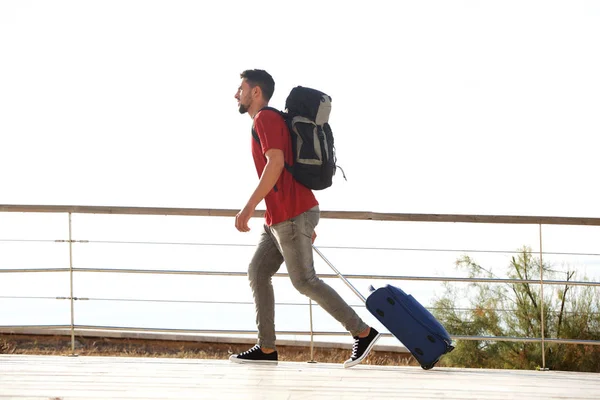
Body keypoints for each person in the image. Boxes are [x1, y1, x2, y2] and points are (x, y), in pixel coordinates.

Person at [229, 69, 380, 368]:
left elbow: (275, 164)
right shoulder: (267, 121)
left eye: (241, 88)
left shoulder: (266, 119)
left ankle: (363, 332)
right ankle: (267, 348)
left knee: (304, 281)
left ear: (256, 92)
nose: (236, 94)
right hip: (279, 218)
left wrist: (248, 207)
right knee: (258, 272)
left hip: (291, 213)